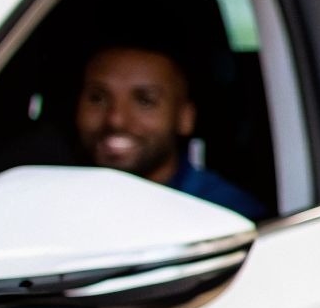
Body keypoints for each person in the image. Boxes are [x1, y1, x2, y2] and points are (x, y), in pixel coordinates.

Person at [76, 42, 265, 220]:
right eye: (97, 98)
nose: (115, 119)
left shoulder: (225, 215)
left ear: (185, 118)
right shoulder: (62, 201)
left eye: (145, 101)